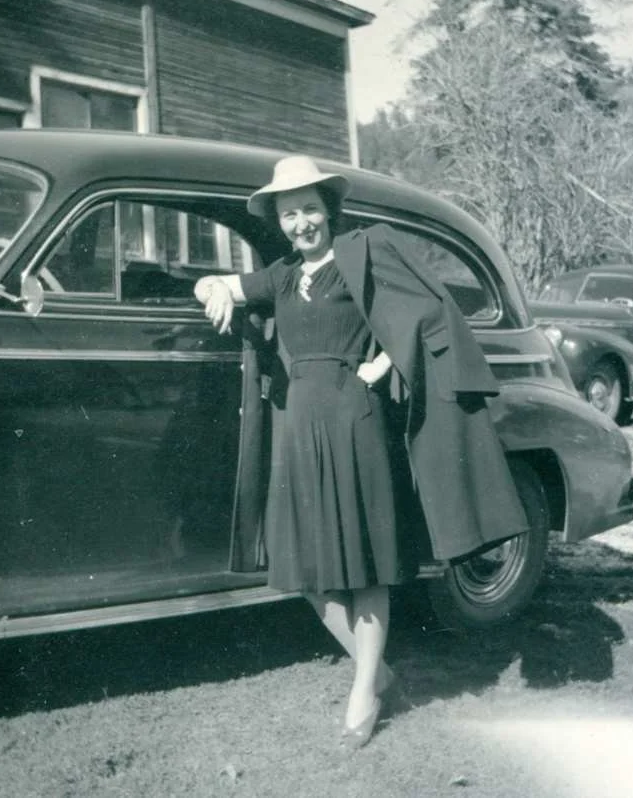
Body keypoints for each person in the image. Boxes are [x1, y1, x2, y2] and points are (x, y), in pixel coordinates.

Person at [195, 155, 528, 750]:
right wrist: (214, 288)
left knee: (366, 562)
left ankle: (362, 689)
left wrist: (384, 363)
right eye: (289, 214)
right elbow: (215, 283)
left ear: (328, 210)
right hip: (299, 425)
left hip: (356, 419)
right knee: (305, 568)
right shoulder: (279, 276)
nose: (301, 223)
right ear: (280, 221)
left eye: (309, 209)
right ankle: (381, 676)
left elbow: (429, 310)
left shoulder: (361, 253)